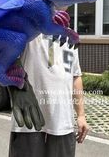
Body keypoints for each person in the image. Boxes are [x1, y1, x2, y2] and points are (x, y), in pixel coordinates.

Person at [8, 24, 89, 157]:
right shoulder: (28, 27)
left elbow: (75, 76)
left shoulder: (71, 36)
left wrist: (81, 115)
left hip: (63, 122)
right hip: (28, 122)